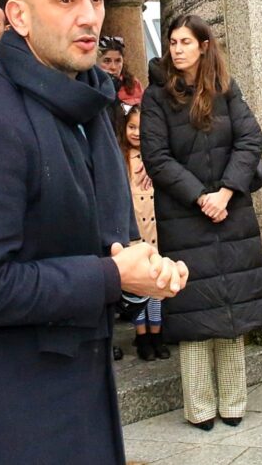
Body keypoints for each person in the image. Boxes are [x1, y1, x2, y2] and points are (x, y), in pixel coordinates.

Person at [0, 0, 188, 465]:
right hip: (14, 414)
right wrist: (112, 276)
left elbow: (103, 244)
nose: (89, 16)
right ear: (19, 16)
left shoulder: (88, 106)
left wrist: (141, 272)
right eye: (66, 0)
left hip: (81, 392)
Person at [140, 13, 262, 431]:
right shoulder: (156, 96)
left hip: (230, 212)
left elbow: (251, 138)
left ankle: (234, 402)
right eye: (172, 42)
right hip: (185, 215)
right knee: (193, 312)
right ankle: (199, 407)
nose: (177, 49)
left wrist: (227, 191)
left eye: (185, 42)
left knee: (231, 310)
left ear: (203, 46)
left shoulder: (225, 87)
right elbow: (156, 157)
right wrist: (201, 196)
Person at [117, 105, 169, 361]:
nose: (137, 132)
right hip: (134, 228)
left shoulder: (156, 157)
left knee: (156, 283)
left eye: (141, 127)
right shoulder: (121, 157)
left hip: (155, 228)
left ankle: (157, 333)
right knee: (139, 286)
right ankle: (142, 335)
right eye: (132, 126)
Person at [98, 35, 144, 105]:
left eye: (118, 61)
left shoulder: (133, 84)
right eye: (107, 61)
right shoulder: (90, 84)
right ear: (96, 62)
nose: (113, 67)